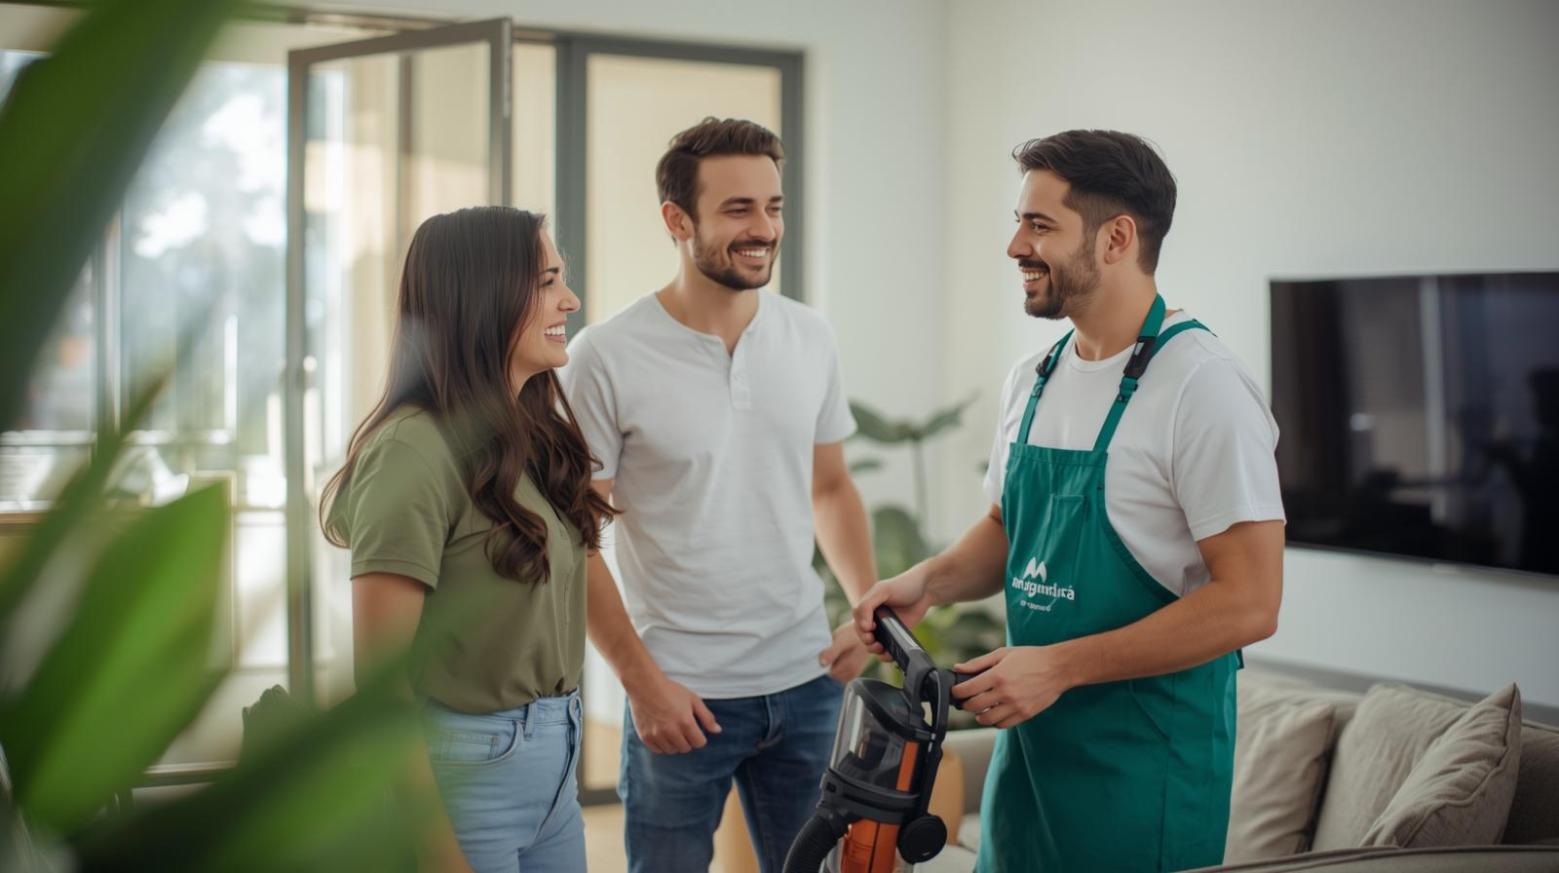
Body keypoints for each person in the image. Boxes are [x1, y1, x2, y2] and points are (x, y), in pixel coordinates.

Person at [854, 130, 1287, 872]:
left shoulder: (1202, 386)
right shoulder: (1037, 374)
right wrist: (928, 580)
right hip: (1032, 762)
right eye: (1019, 220)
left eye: (1039, 224)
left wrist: (1056, 666)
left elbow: (1250, 601)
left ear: (1116, 237)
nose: (1014, 244)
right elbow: (1007, 525)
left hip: (1144, 771)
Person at [558, 117, 877, 873]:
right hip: (681, 695)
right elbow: (575, 538)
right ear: (677, 220)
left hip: (808, 682)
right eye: (737, 209)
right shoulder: (603, 355)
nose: (763, 228)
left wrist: (868, 608)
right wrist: (642, 684)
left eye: (773, 206)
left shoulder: (809, 336)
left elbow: (829, 486)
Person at [322, 207, 612, 873]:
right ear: (480, 298)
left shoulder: (530, 433)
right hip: (464, 776)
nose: (569, 299)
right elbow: (381, 684)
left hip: (554, 767)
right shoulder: (412, 450)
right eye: (546, 282)